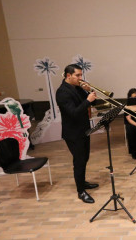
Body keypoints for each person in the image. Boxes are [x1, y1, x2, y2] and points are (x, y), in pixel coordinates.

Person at [56, 64, 99, 204]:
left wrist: (88, 91)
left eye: (81, 75)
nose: (81, 78)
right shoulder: (62, 92)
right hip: (73, 133)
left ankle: (83, 182)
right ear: (69, 76)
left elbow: (93, 103)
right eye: (78, 75)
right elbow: (74, 113)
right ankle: (81, 191)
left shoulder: (77, 88)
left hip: (83, 130)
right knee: (79, 161)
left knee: (85, 158)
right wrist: (87, 100)